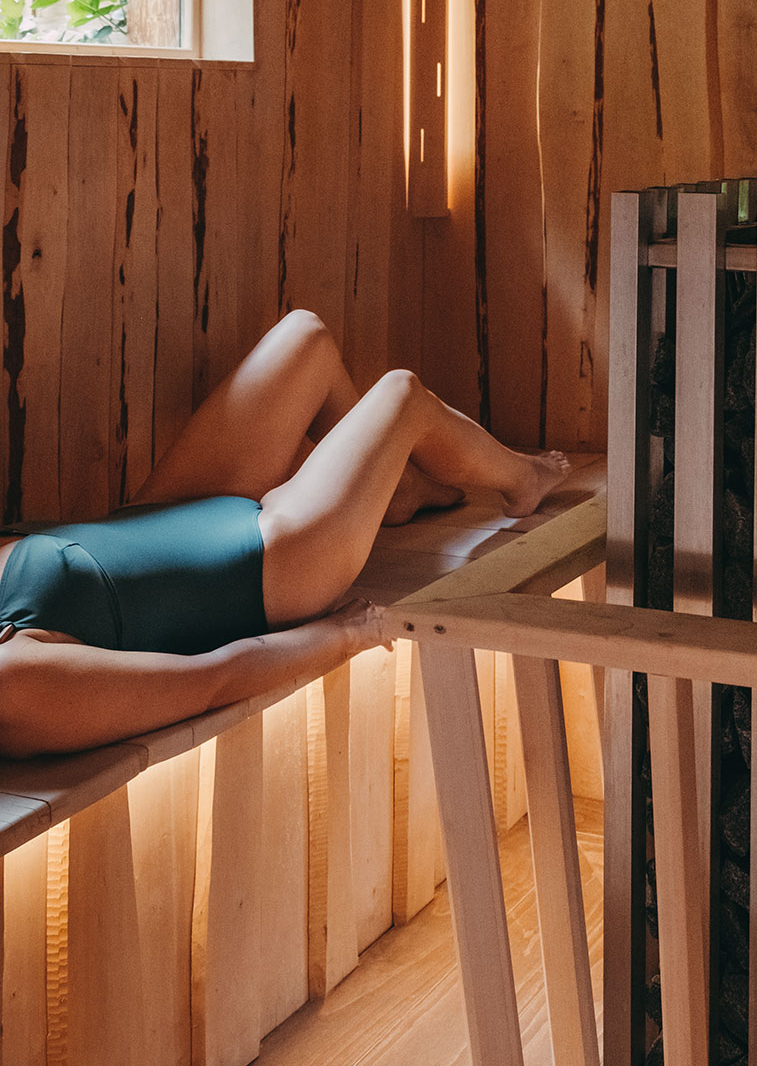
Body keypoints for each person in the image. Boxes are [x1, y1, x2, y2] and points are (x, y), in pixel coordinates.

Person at [0, 310, 570, 758]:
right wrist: (342, 636)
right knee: (402, 396)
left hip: (165, 513)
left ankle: (397, 491)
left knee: (307, 340)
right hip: (274, 560)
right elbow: (209, 682)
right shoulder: (15, 687)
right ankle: (524, 480)